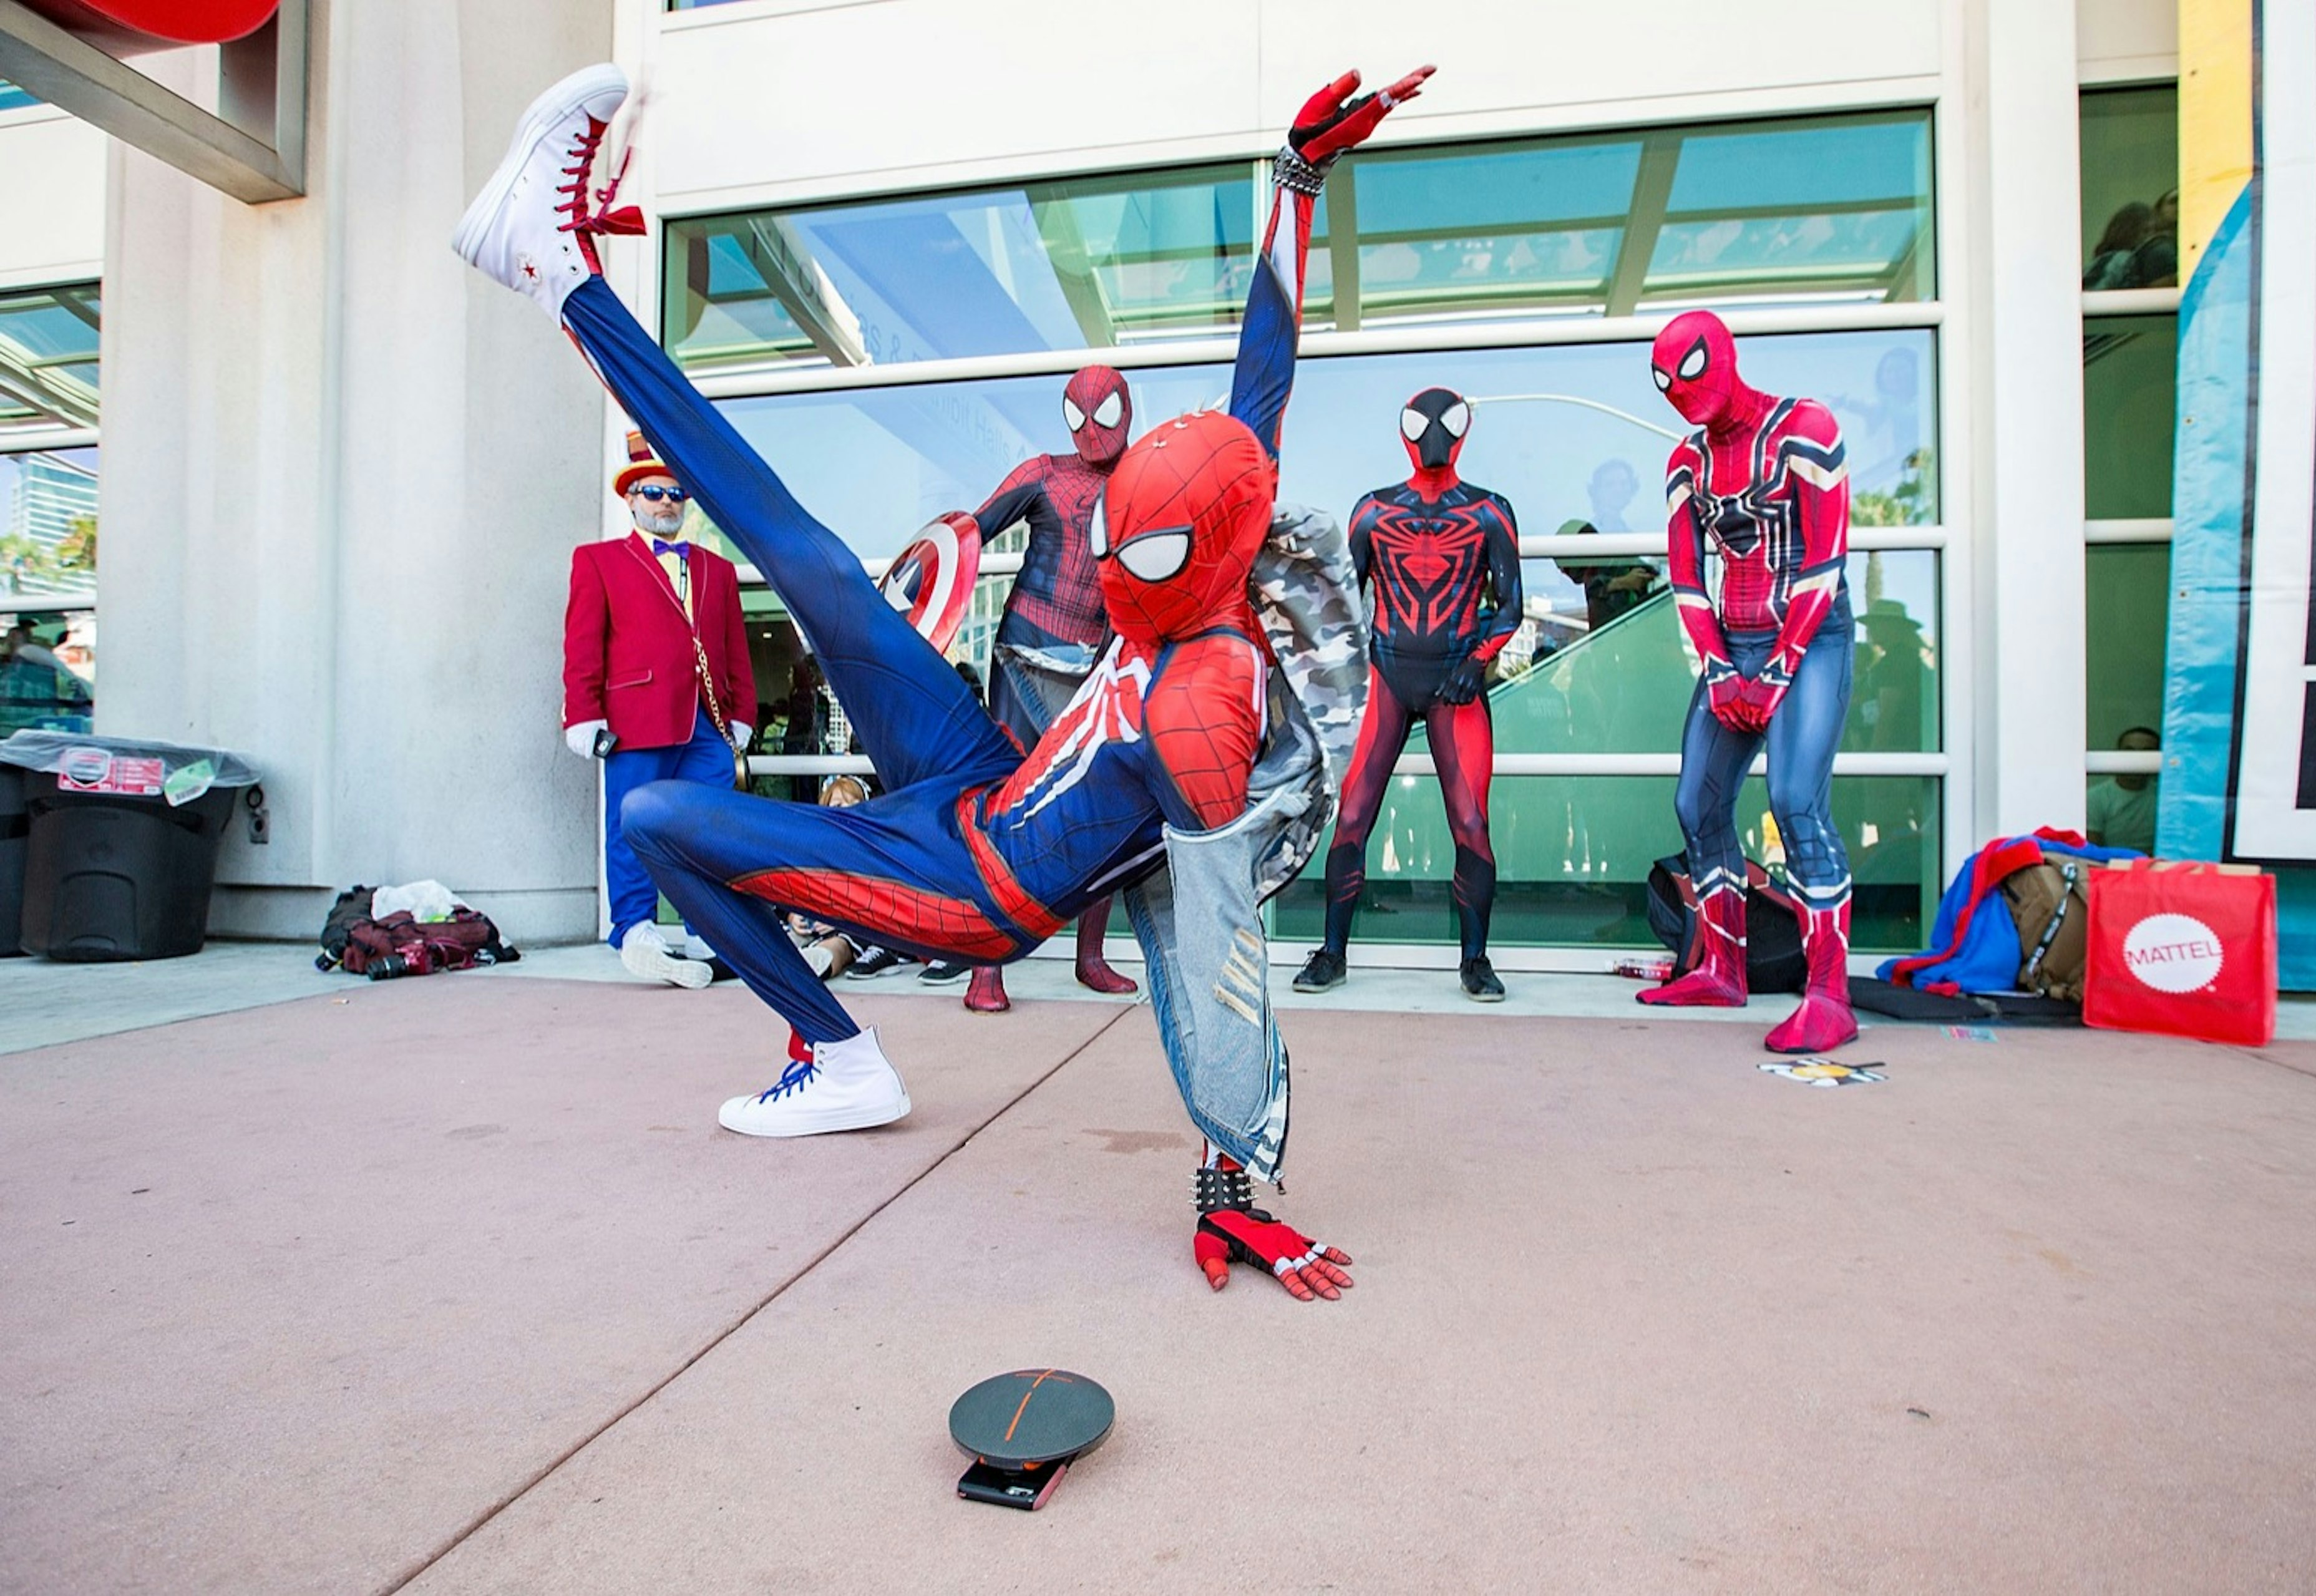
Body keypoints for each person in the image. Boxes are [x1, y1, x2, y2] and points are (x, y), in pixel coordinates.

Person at [456, 60, 1429, 1300]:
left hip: (977, 882)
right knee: (807, 559)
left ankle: (837, 1051)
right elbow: (1265, 378)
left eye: (1145, 558)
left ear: (1210, 559)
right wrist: (1296, 179)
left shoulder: (1206, 702)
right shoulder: (1215, 556)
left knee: (658, 818)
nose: (1114, 577)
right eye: (1116, 541)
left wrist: (1228, 1183)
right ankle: (561, 278)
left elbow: (1216, 950)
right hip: (983, 774)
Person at [1637, 309, 1859, 1054]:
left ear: (1724, 356)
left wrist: (1779, 667)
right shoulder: (1686, 464)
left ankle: (1830, 994)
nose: (1677, 391)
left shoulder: (1805, 428)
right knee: (1696, 804)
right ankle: (1721, 967)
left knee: (1797, 803)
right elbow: (1686, 578)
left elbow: (1826, 561)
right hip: (1733, 646)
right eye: (1663, 381)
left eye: (1688, 371)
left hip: (1811, 637)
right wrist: (1723, 668)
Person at [1293, 384, 1520, 1002]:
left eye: (1444, 426)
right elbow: (1342, 602)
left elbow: (1510, 607)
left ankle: (1475, 959)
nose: (1434, 439)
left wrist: (1477, 661)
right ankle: (1333, 951)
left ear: (1464, 431)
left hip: (1456, 676)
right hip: (1389, 672)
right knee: (1355, 814)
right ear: (1405, 431)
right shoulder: (1373, 511)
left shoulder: (1489, 513)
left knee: (1472, 821)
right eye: (1424, 426)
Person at [923, 404, 1142, 1010]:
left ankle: (1090, 954)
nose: (1095, 427)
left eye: (1105, 411)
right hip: (1024, 651)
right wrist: (921, 587)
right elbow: (971, 531)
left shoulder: (1143, 480)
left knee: (1101, 806)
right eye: (1083, 411)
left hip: (1095, 664)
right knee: (1002, 801)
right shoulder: (1043, 473)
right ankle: (986, 966)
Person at [563, 431, 757, 988]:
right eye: (653, 493)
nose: (666, 503)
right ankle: (636, 927)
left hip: (707, 726)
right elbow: (582, 646)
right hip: (635, 720)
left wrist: (740, 716)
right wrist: (584, 717)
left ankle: (705, 927)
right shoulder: (597, 561)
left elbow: (735, 652)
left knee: (709, 829)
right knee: (632, 825)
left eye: (676, 494)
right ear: (631, 499)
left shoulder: (717, 570)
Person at [1553, 457, 1659, 631]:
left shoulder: (1630, 533)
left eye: (1624, 484)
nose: (1618, 490)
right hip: (1606, 627)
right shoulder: (1584, 532)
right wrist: (1623, 582)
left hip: (1633, 622)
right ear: (1596, 491)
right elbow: (1582, 579)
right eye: (1610, 484)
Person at [2086, 726, 2160, 854]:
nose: (2137, 760)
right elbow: (2094, 852)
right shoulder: (2095, 798)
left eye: (2146, 753)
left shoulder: (2165, 799)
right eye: (2129, 752)